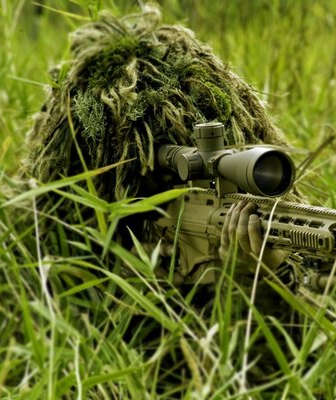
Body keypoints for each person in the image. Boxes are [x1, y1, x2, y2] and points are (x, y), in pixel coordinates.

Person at [24, 4, 300, 384]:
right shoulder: (58, 248)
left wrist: (259, 282)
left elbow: (285, 378)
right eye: (154, 182)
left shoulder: (253, 216)